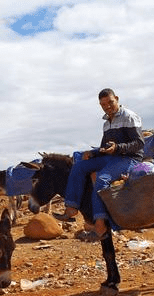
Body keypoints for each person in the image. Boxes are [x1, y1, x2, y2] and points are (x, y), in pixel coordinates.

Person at [55, 88, 145, 242]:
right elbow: (105, 147)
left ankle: (100, 224)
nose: (107, 106)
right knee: (79, 167)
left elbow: (139, 143)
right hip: (111, 157)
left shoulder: (129, 116)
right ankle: (71, 209)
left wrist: (117, 148)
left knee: (102, 179)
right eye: (103, 104)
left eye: (110, 102)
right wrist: (94, 152)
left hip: (129, 159)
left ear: (116, 98)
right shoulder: (106, 123)